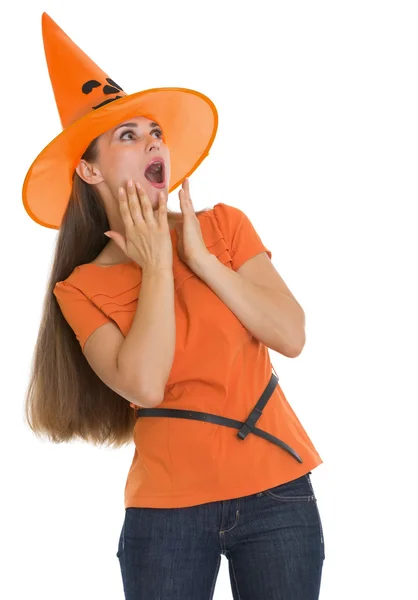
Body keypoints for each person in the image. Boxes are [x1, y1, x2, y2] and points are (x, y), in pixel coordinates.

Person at [23, 12, 325, 600]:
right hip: (166, 512)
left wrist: (203, 260)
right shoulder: (79, 288)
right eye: (127, 136)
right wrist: (158, 265)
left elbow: (291, 334)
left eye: (153, 131)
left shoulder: (224, 227)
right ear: (88, 169)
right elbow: (145, 385)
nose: (152, 142)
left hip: (279, 494)